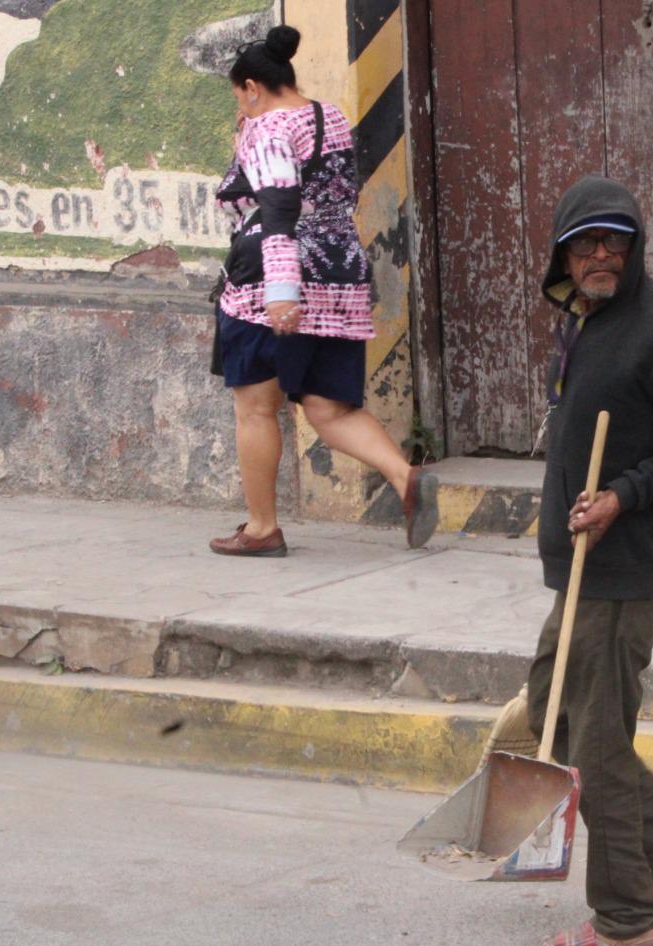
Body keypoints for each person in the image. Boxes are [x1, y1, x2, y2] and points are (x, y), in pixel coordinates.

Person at [526, 176, 653, 946]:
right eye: (586, 243)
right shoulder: (587, 323)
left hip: (626, 566)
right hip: (580, 563)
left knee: (599, 742)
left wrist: (622, 496)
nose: (601, 254)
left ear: (636, 250)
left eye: (615, 241)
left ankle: (625, 916)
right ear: (565, 256)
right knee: (560, 710)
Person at [209, 25, 437, 557]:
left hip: (271, 278)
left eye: (238, 96)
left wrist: (283, 288)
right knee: (330, 409)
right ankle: (406, 477)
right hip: (339, 272)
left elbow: (279, 206)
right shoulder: (326, 114)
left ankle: (262, 529)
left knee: (257, 409)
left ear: (251, 87)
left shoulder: (267, 129)